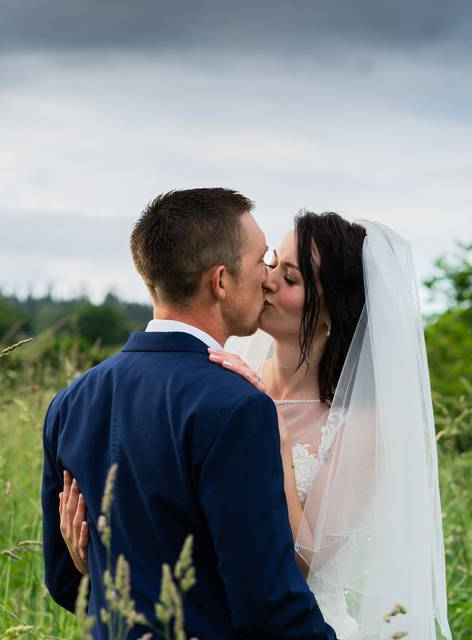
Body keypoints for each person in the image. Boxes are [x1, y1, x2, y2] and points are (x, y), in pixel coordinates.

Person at [61, 209, 453, 639]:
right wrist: (99, 556)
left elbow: (307, 561)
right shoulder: (226, 381)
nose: (266, 281)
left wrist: (278, 440)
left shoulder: (364, 422)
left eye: (291, 279)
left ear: (331, 312)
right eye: (270, 263)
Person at [42, 188, 336, 639]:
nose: (268, 277)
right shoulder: (238, 407)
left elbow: (66, 583)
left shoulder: (69, 402)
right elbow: (268, 605)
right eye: (262, 261)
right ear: (220, 282)